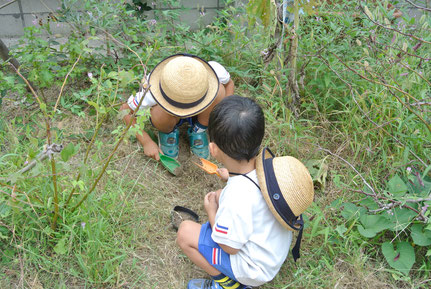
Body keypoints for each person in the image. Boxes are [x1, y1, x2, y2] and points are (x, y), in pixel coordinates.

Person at [176, 95, 315, 288]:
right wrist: (228, 176)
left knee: (185, 233)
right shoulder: (270, 169)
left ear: (213, 149)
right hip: (271, 254)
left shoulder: (237, 197)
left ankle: (227, 284)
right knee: (219, 195)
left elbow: (229, 247)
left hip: (251, 269)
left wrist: (211, 212)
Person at [120, 53, 234, 160]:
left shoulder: (212, 71)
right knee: (158, 113)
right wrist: (146, 142)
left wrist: (224, 117)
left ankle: (199, 129)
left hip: (202, 109)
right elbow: (124, 111)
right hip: (167, 113)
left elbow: (229, 84)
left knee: (219, 90)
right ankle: (168, 131)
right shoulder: (152, 90)